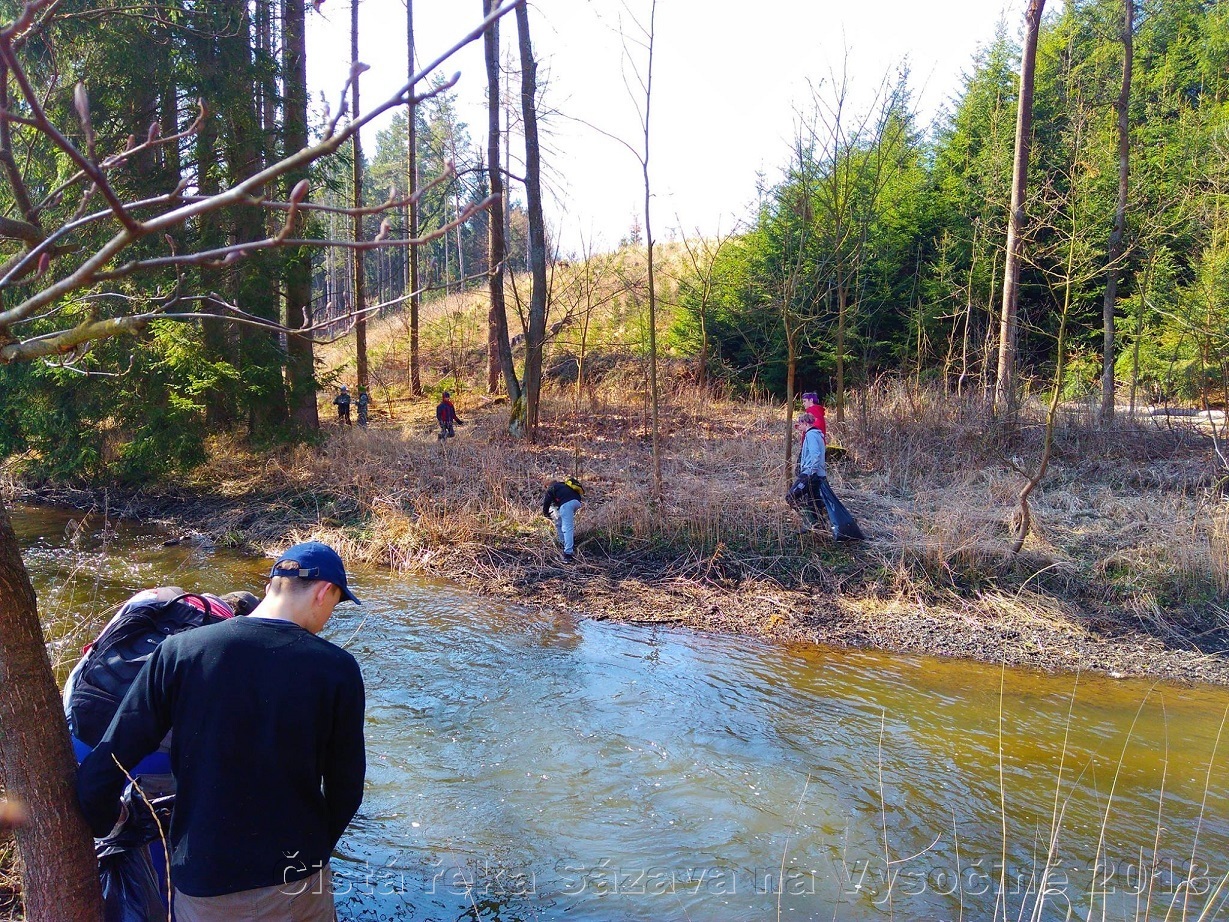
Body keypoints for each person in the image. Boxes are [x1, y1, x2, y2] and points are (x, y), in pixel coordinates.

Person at [77, 542, 366, 921]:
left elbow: (108, 763)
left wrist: (106, 821)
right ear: (324, 591)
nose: (329, 616)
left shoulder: (180, 652)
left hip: (204, 881)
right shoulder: (338, 669)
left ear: (272, 585)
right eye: (336, 603)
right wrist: (314, 851)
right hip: (297, 878)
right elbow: (347, 791)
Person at [788, 413, 828, 534]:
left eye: (799, 423)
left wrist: (810, 472)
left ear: (805, 423)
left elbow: (816, 454)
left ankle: (809, 523)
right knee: (814, 501)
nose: (798, 426)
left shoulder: (810, 435)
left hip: (810, 474)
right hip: (818, 474)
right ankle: (818, 526)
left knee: (791, 496)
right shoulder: (817, 435)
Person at [542, 476, 585, 563]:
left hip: (567, 504)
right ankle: (564, 543)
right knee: (560, 522)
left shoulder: (551, 488)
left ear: (547, 485)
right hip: (577, 502)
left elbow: (546, 503)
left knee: (567, 527)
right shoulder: (563, 485)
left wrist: (546, 514)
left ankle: (568, 554)